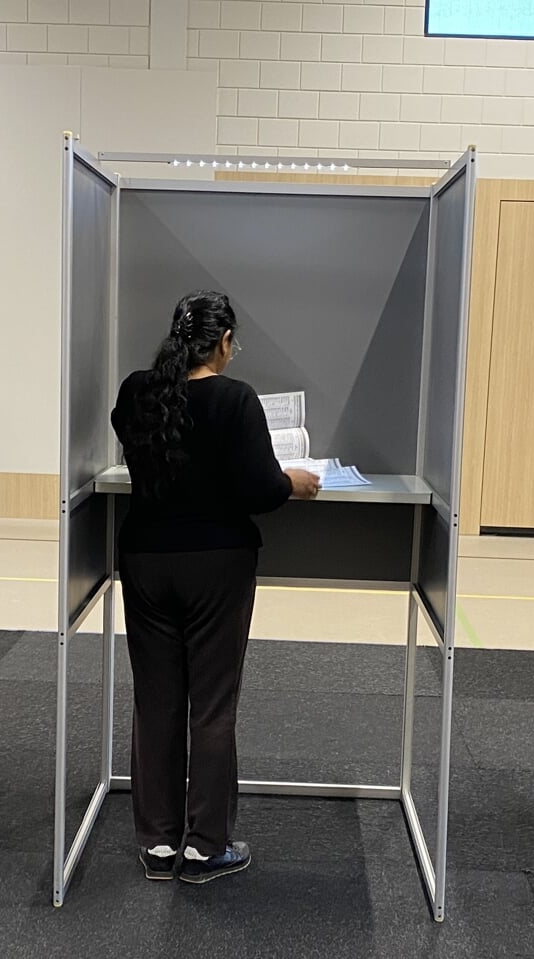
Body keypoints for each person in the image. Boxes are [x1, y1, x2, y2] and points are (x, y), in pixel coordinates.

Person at [110, 290, 321, 885]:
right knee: (213, 705)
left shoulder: (136, 391)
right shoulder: (235, 399)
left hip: (147, 560)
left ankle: (155, 845)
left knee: (156, 700)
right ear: (225, 343)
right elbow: (258, 490)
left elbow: (135, 442)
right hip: (217, 567)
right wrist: (293, 483)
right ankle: (204, 846)